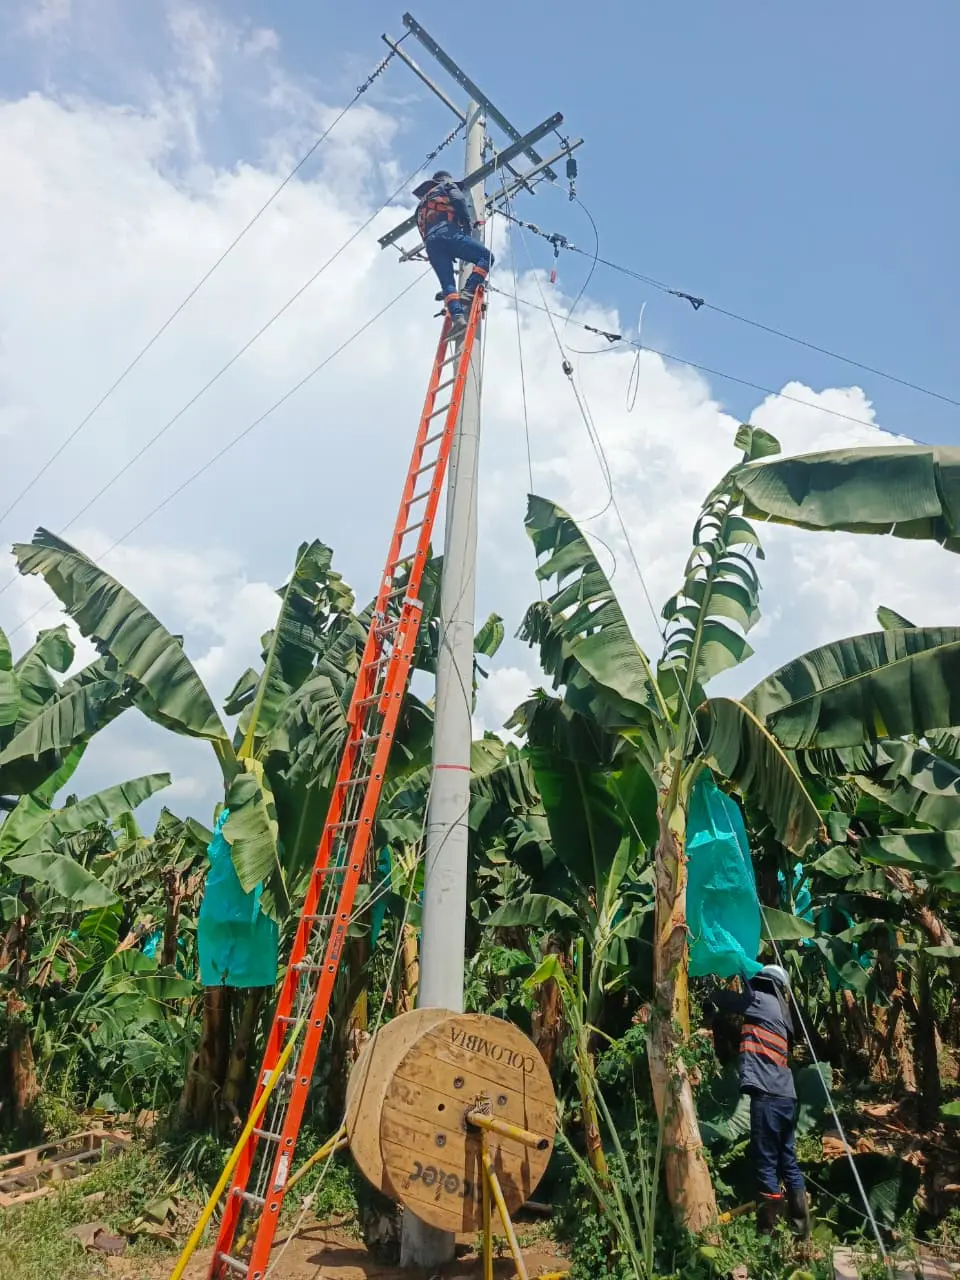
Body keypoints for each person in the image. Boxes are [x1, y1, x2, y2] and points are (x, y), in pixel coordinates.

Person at [709, 964, 811, 1238]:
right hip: (787, 1097)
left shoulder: (760, 1001)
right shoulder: (781, 1011)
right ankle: (801, 1231)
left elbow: (723, 999)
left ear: (765, 983)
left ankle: (768, 1235)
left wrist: (726, 967)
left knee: (765, 1162)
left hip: (767, 1097)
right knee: (787, 1160)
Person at [413, 170, 493, 329]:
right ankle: (468, 290)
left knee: (447, 283)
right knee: (486, 257)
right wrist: (467, 227)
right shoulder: (447, 186)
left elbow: (422, 229)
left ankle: (457, 317)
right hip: (448, 232)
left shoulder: (420, 207)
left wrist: (439, 251)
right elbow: (459, 200)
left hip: (431, 244)